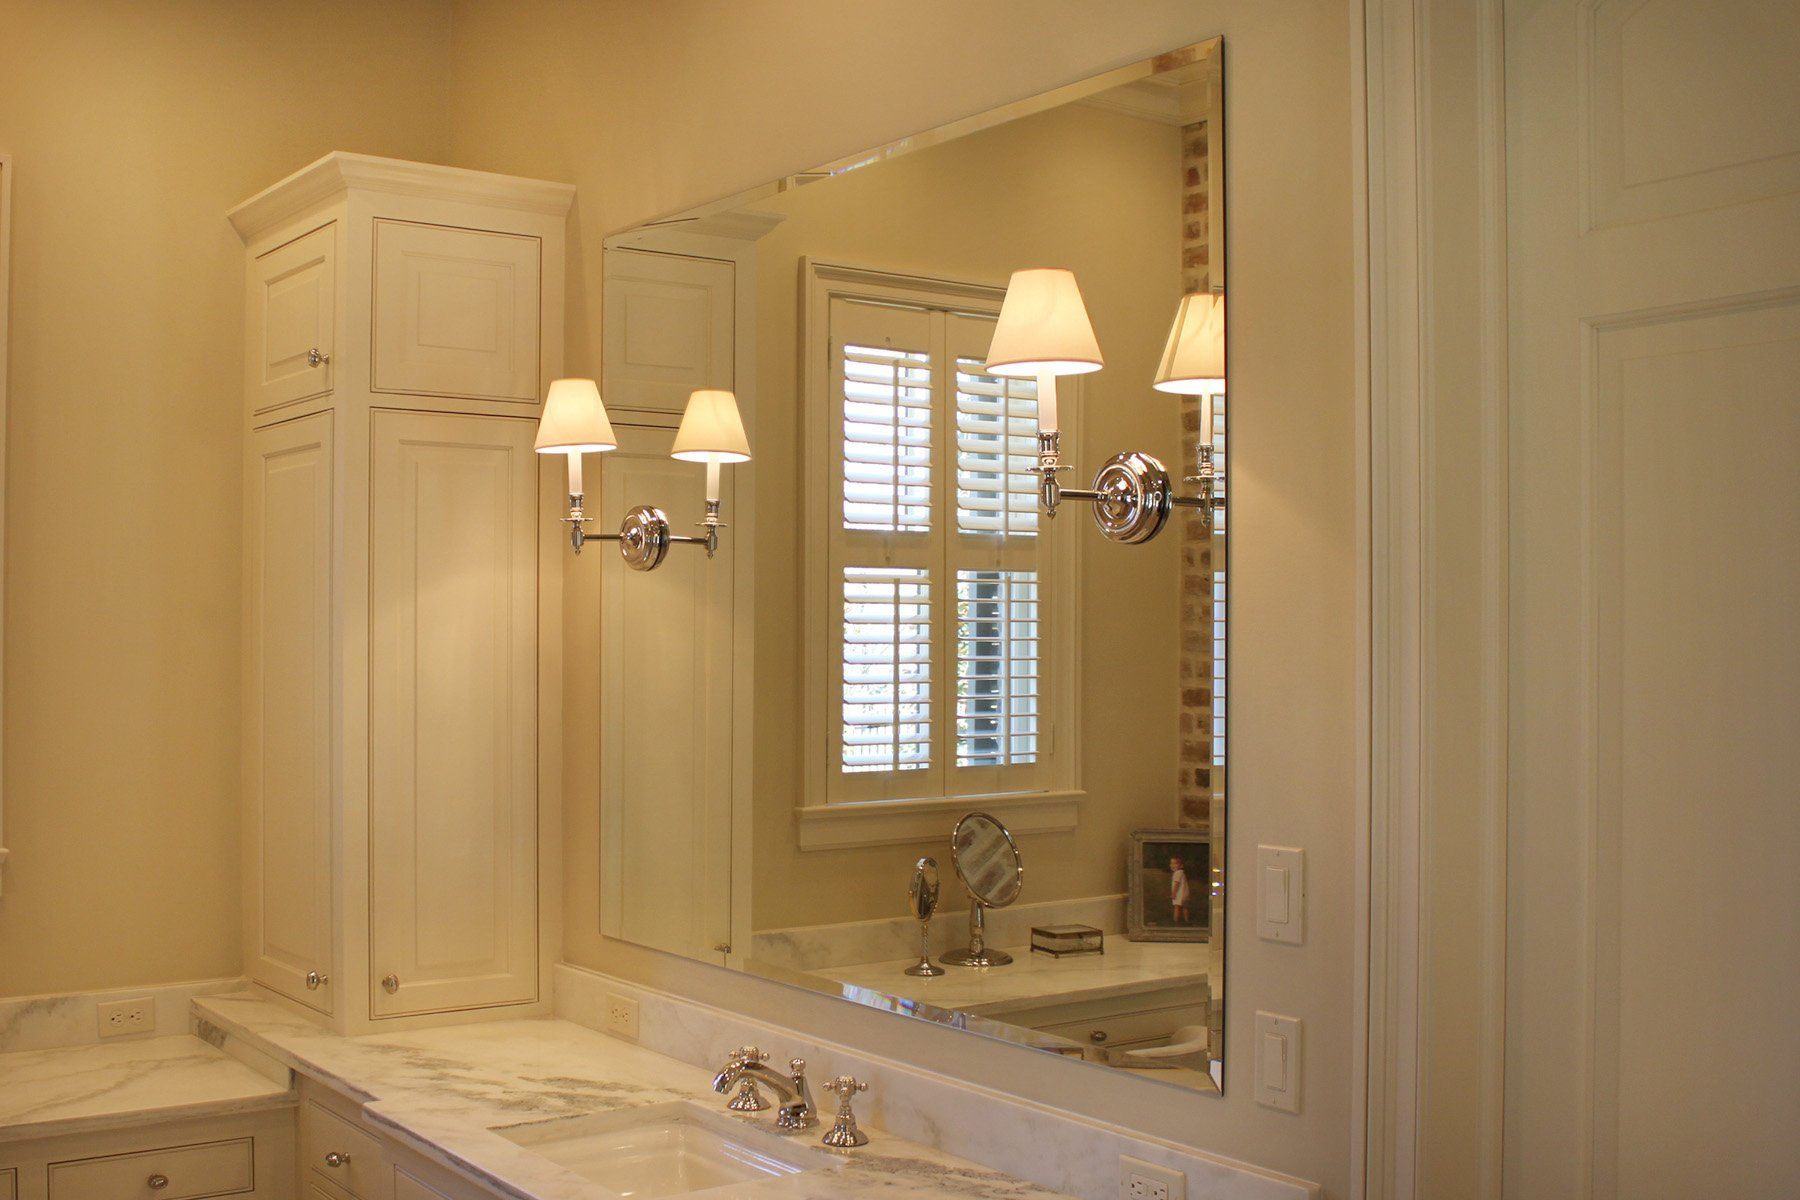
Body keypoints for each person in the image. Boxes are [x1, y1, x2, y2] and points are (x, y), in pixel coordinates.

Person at [1169, 853, 1191, 923]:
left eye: (1175, 863)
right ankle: (1187, 920)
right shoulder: (1182, 873)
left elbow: (1177, 884)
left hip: (1179, 894)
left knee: (1177, 907)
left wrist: (1173, 893)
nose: (1172, 865)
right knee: (1185, 907)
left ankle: (1176, 920)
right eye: (1171, 863)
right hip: (1185, 893)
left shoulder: (1177, 873)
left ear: (1181, 865)